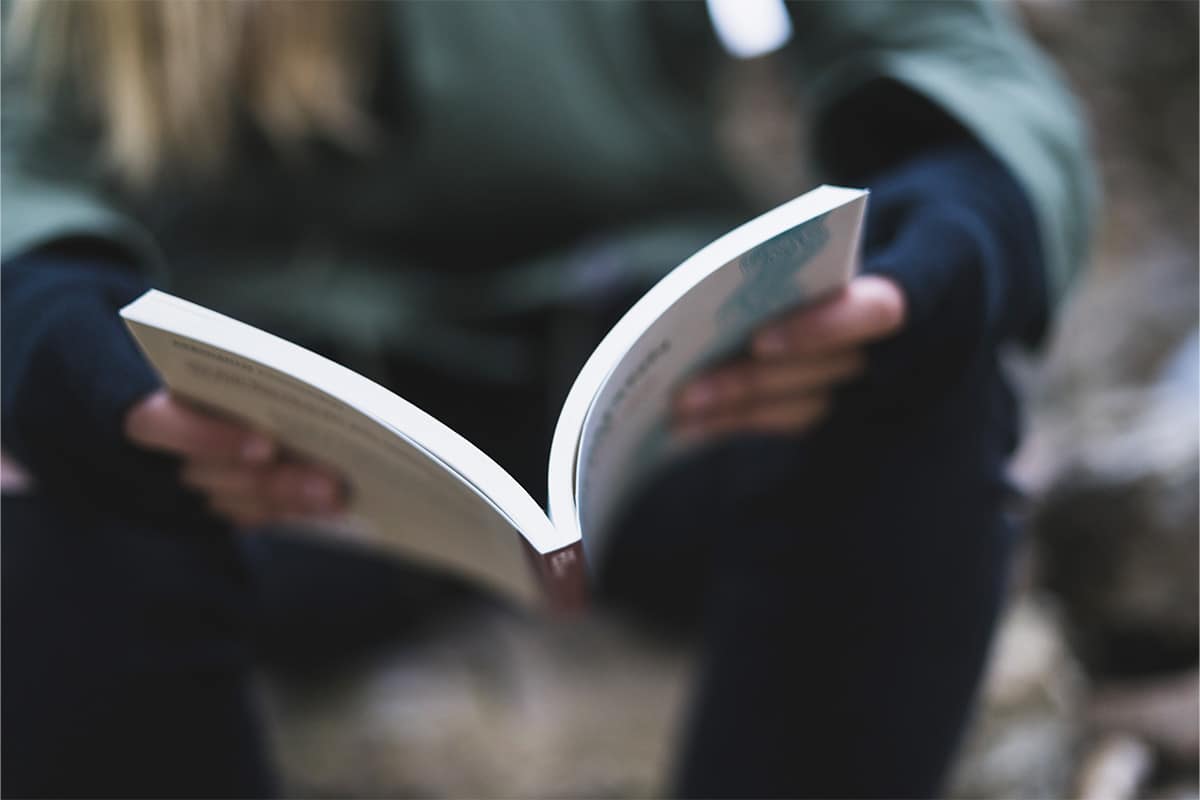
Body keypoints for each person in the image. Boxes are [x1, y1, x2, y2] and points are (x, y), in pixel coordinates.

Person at [1, 2, 1095, 797]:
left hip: (656, 374)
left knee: (913, 385)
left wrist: (952, 243)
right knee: (52, 484)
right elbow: (18, 166)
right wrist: (62, 351)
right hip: (277, 426)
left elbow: (943, 48)